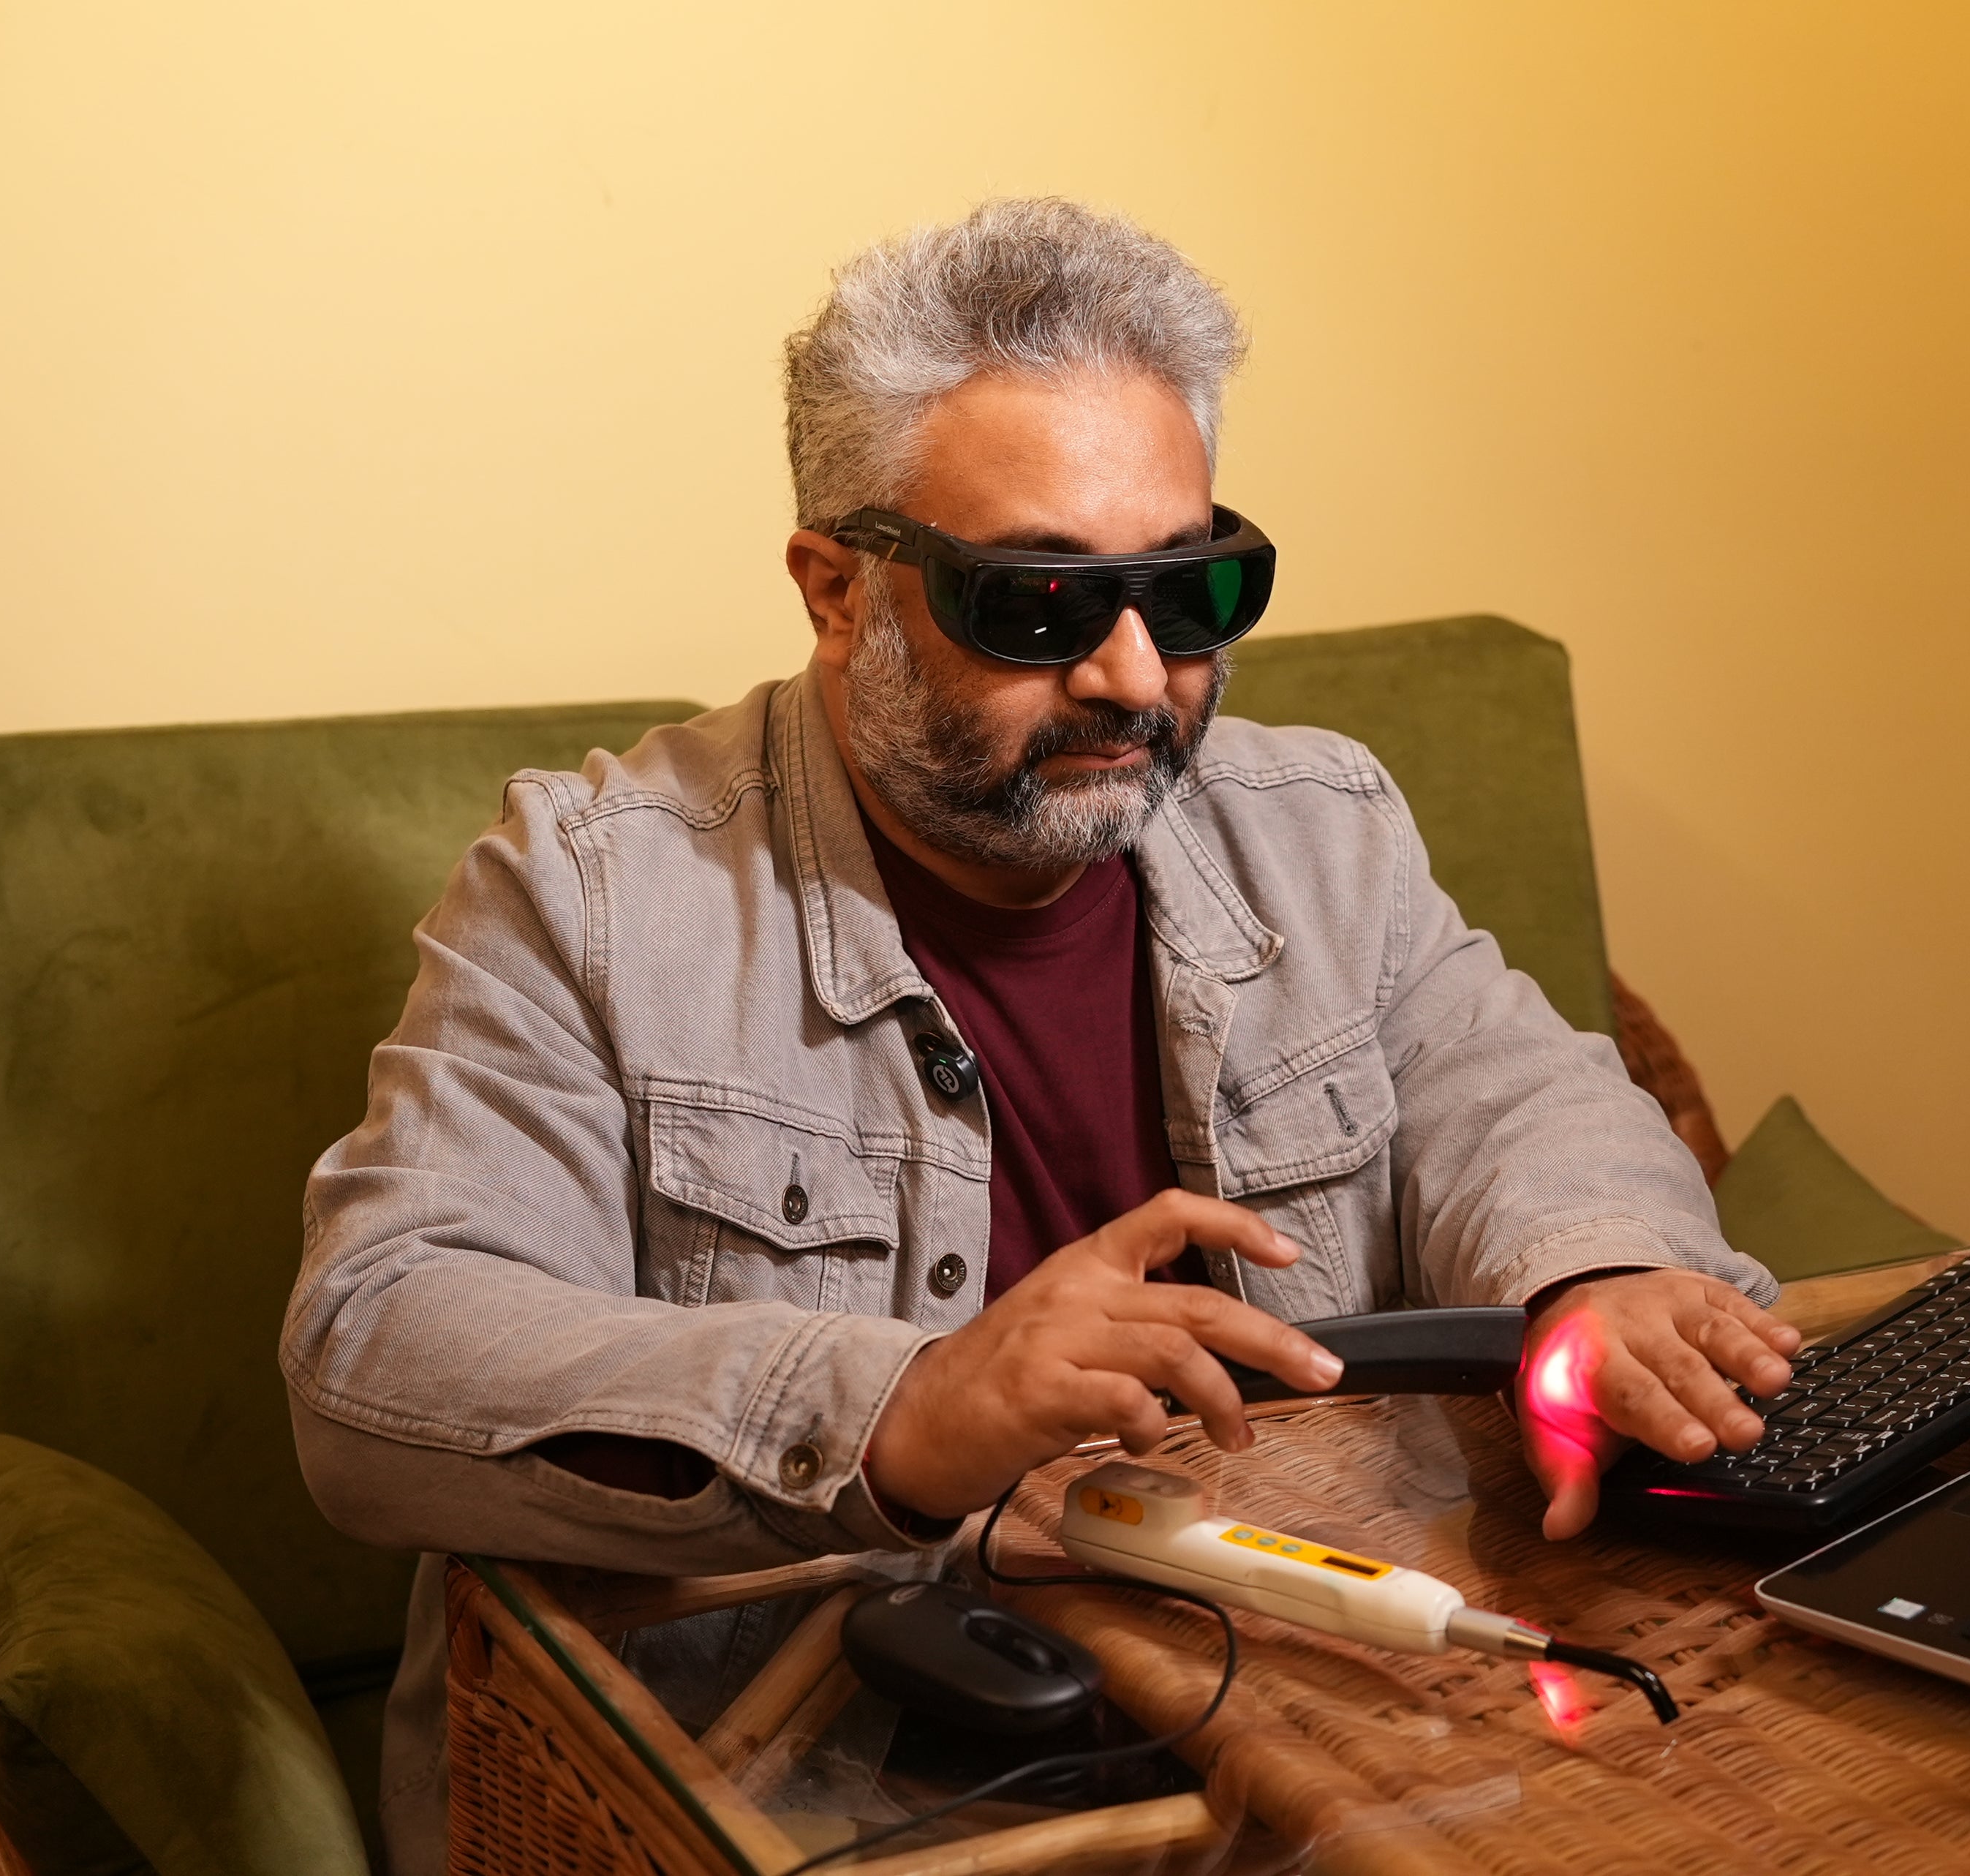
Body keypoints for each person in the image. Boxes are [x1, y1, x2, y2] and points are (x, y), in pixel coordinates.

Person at [282, 197, 1794, 1871]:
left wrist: (1599, 1274)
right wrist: (906, 1409)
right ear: (838, 587)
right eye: (1041, 603)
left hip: (1311, 1730)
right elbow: (377, 1350)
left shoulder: (1321, 827)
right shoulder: (591, 893)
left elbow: (1525, 1092)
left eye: (1192, 582)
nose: (1135, 676)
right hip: (815, 1785)